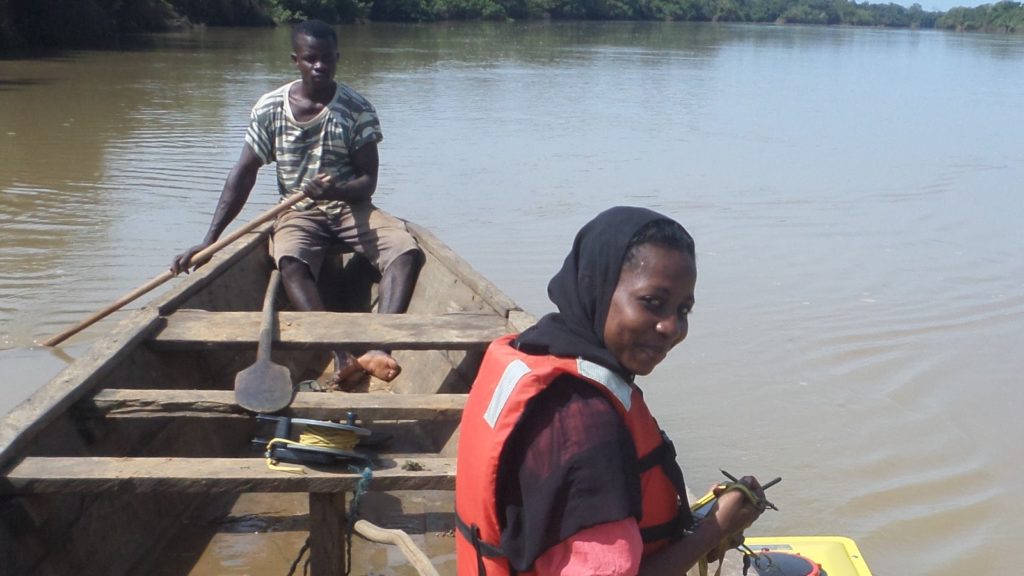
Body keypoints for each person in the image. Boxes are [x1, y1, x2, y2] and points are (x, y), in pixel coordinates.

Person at [455, 206, 766, 575]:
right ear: (597, 287)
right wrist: (716, 529)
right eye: (652, 302)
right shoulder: (584, 430)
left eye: (683, 310)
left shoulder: (533, 350)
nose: (671, 327)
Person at [171, 19, 422, 387]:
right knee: (289, 261)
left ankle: (381, 347)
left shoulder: (356, 109)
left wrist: (334, 189)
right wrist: (210, 240)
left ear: (337, 59)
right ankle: (339, 351)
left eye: (327, 59)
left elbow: (368, 182)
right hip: (297, 211)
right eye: (311, 58)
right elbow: (242, 173)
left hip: (349, 208)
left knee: (404, 250)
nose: (319, 66)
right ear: (296, 60)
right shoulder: (270, 108)